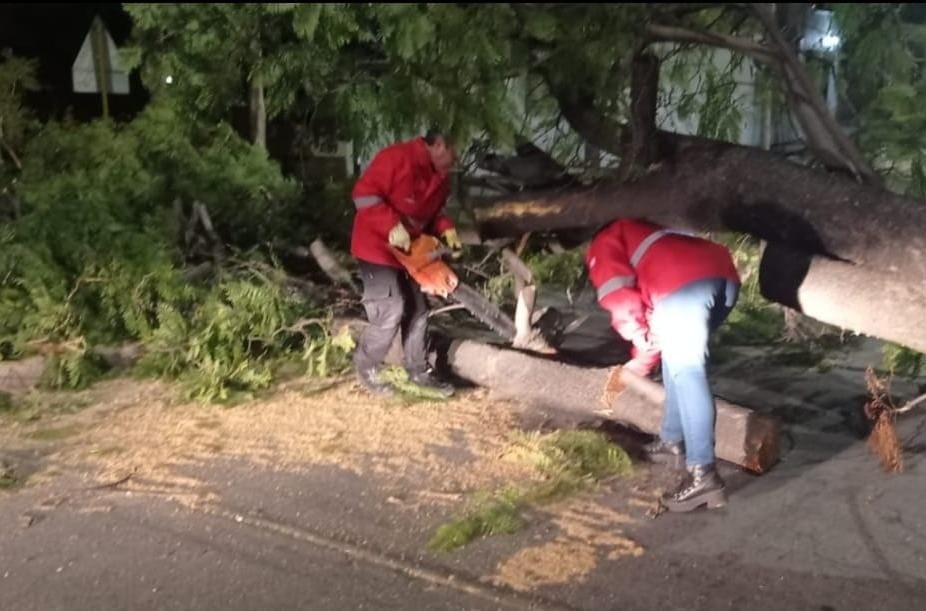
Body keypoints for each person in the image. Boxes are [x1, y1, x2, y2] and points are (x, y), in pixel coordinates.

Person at [585, 218, 740, 512]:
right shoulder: (645, 232)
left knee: (688, 370)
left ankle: (703, 475)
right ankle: (672, 440)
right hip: (723, 277)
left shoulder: (604, 240)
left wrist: (639, 347)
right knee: (676, 356)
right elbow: (656, 331)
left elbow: (617, 296)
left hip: (683, 284)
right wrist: (646, 353)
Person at [349, 129, 462, 398]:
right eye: (453, 154)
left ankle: (418, 370)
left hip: (409, 252)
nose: (455, 161)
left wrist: (446, 229)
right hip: (376, 246)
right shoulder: (397, 159)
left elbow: (433, 214)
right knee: (391, 307)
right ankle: (366, 368)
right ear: (439, 145)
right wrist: (390, 225)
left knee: (419, 310)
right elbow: (363, 195)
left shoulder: (440, 178)